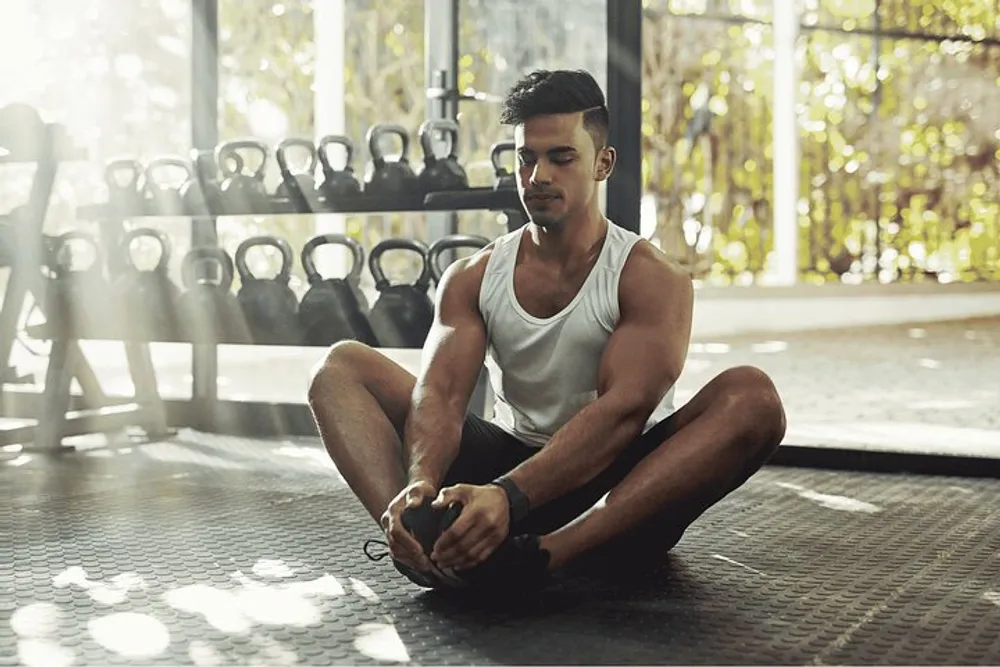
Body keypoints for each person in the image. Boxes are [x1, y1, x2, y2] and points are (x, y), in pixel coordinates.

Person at [308, 69, 786, 590]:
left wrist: (511, 496)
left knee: (753, 397)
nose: (538, 175)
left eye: (562, 157)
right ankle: (414, 541)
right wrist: (422, 482)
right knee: (339, 367)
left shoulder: (650, 278)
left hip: (616, 492)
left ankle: (546, 558)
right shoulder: (472, 276)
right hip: (506, 463)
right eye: (526, 158)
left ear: (603, 163)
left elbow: (622, 414)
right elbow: (440, 395)